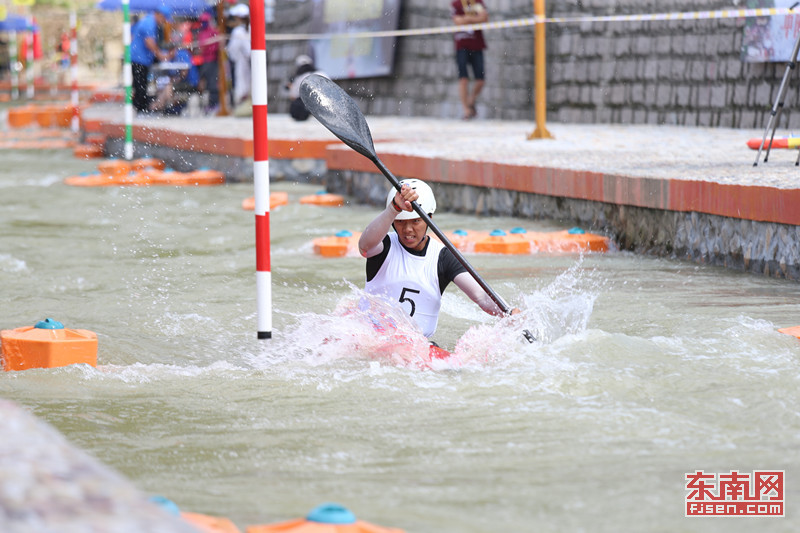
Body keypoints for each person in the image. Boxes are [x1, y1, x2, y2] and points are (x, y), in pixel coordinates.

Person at [358, 179, 519, 340]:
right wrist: (394, 208)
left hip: (416, 346)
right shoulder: (383, 245)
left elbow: (481, 296)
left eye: (415, 221)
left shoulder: (443, 257)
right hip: (371, 337)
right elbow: (364, 246)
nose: (407, 230)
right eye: (400, 222)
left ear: (429, 218)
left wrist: (509, 312)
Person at [130, 6, 174, 113]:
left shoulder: (148, 21)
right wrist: (160, 55)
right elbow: (149, 42)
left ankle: (140, 107)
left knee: (140, 84)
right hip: (139, 59)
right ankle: (140, 109)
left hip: (141, 58)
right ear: (159, 15)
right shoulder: (149, 23)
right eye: (164, 19)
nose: (163, 22)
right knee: (140, 85)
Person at [451, 0, 488, 120]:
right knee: (463, 79)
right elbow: (457, 21)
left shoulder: (478, 2)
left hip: (477, 45)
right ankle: (466, 110)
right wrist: (474, 18)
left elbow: (484, 18)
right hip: (461, 45)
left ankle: (470, 100)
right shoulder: (456, 3)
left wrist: (466, 19)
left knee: (480, 80)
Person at [226, 4, 251, 117]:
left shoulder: (238, 31)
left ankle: (244, 106)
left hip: (242, 60)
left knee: (241, 83)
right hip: (251, 60)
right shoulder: (251, 28)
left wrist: (231, 55)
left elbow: (233, 49)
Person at [285, 54, 323, 121]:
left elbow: (293, 96)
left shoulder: (300, 77)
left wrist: (291, 87)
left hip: (308, 108)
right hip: (324, 105)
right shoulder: (322, 73)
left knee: (297, 103)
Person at [197, 11, 220, 114]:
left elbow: (216, 46)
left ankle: (214, 104)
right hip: (204, 61)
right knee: (204, 83)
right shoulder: (202, 32)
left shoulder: (214, 32)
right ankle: (209, 104)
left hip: (212, 60)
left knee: (212, 83)